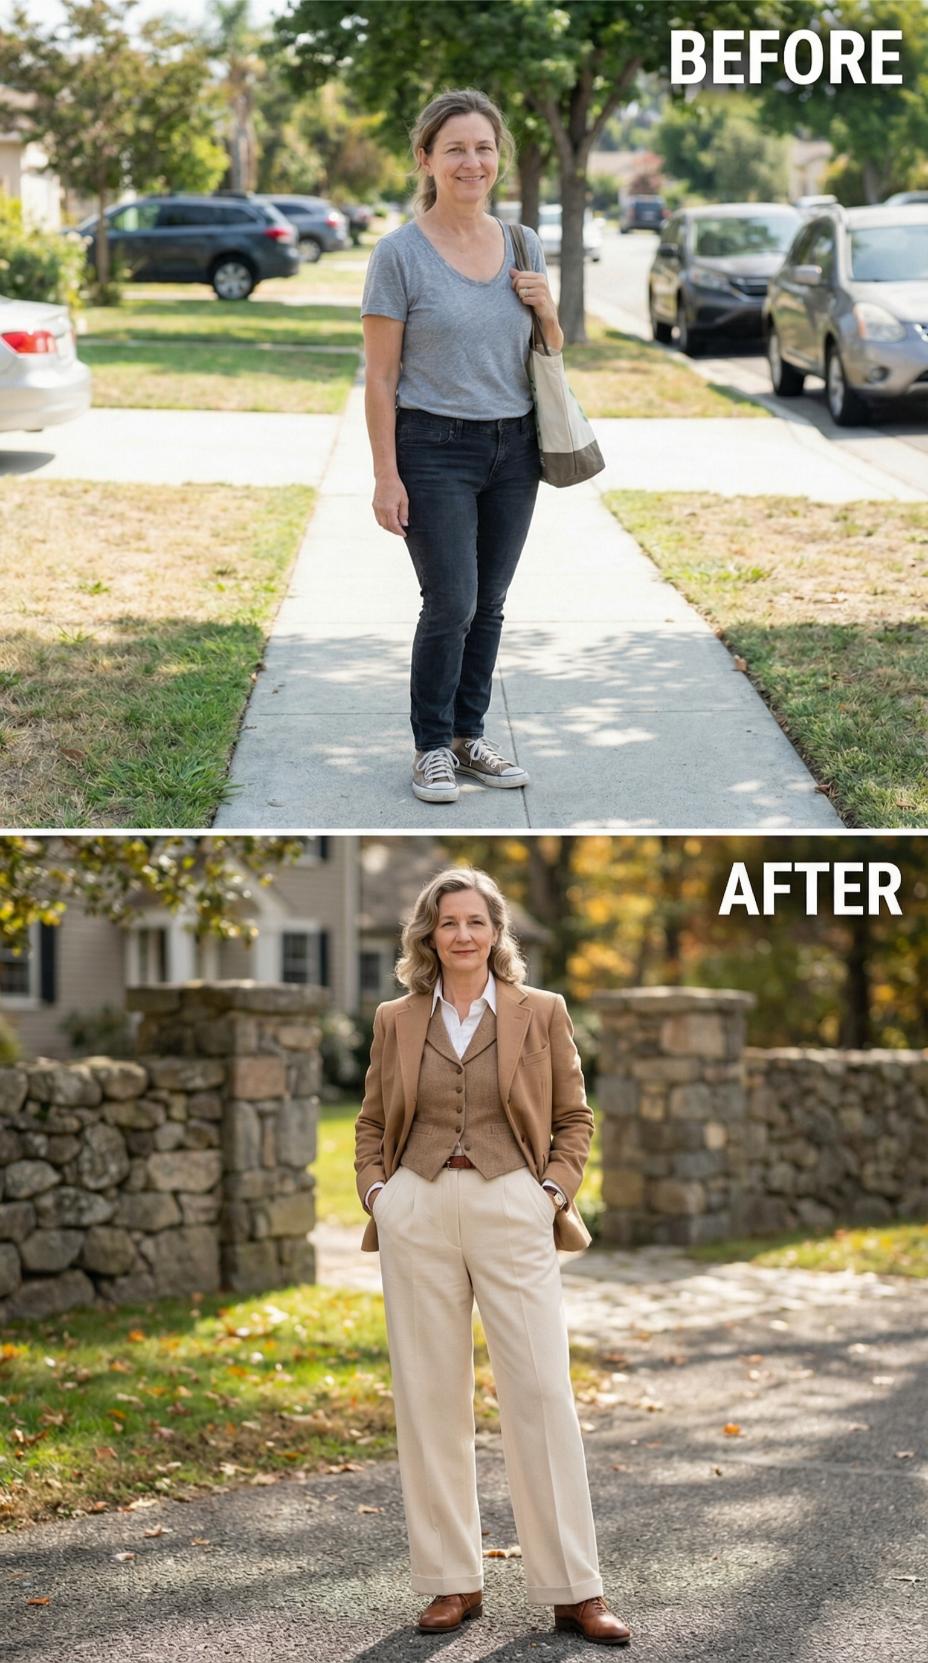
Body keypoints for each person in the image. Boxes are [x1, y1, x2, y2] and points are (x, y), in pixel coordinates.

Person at [354, 866, 631, 1646]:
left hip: (514, 1203)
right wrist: (382, 1194)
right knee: (428, 1396)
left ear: (497, 932)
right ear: (428, 935)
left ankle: (575, 1589)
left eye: (477, 921)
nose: (464, 935)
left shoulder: (540, 1012)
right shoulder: (395, 1018)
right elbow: (372, 1120)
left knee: (542, 1393)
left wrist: (549, 1192)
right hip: (418, 1207)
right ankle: (452, 1581)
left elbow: (575, 1117)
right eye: (449, 923)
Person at [361, 89, 563, 805]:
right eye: (455, 149)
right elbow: (381, 378)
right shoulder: (399, 254)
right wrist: (386, 475)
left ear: (497, 158)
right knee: (452, 599)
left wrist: (548, 307)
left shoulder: (523, 242)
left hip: (515, 449)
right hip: (433, 445)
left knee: (492, 601)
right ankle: (429, 747)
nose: (471, 161)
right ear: (426, 159)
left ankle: (468, 735)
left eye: (483, 148)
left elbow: (548, 350)